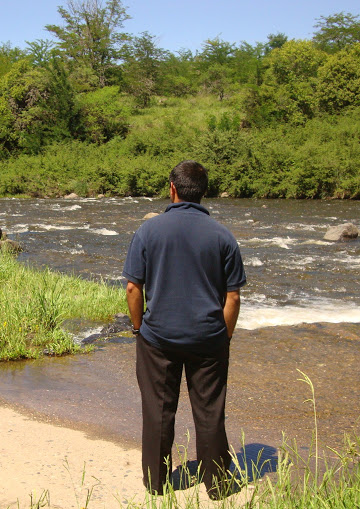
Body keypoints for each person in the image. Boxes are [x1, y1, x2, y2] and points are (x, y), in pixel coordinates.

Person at [122, 160, 246, 499]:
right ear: (204, 193)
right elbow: (232, 296)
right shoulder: (223, 235)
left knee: (158, 410)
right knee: (210, 411)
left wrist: (138, 329)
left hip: (158, 337)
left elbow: (134, 288)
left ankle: (157, 484)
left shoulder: (148, 231)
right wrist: (226, 336)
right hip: (209, 338)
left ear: (172, 188)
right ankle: (218, 486)